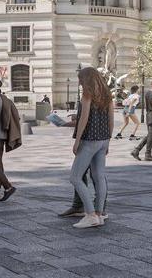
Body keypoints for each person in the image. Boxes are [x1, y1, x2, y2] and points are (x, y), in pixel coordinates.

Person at [69, 66, 114, 228]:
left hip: (89, 140)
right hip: (103, 140)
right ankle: (100, 214)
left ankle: (90, 214)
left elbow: (84, 119)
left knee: (74, 177)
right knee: (99, 176)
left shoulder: (87, 94)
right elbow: (111, 120)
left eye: (80, 79)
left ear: (86, 79)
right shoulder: (107, 95)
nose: (79, 82)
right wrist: (108, 140)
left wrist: (77, 140)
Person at [131, 79, 152, 162]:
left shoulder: (147, 93)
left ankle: (136, 151)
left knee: (149, 135)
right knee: (150, 136)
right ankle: (147, 154)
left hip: (148, 115)